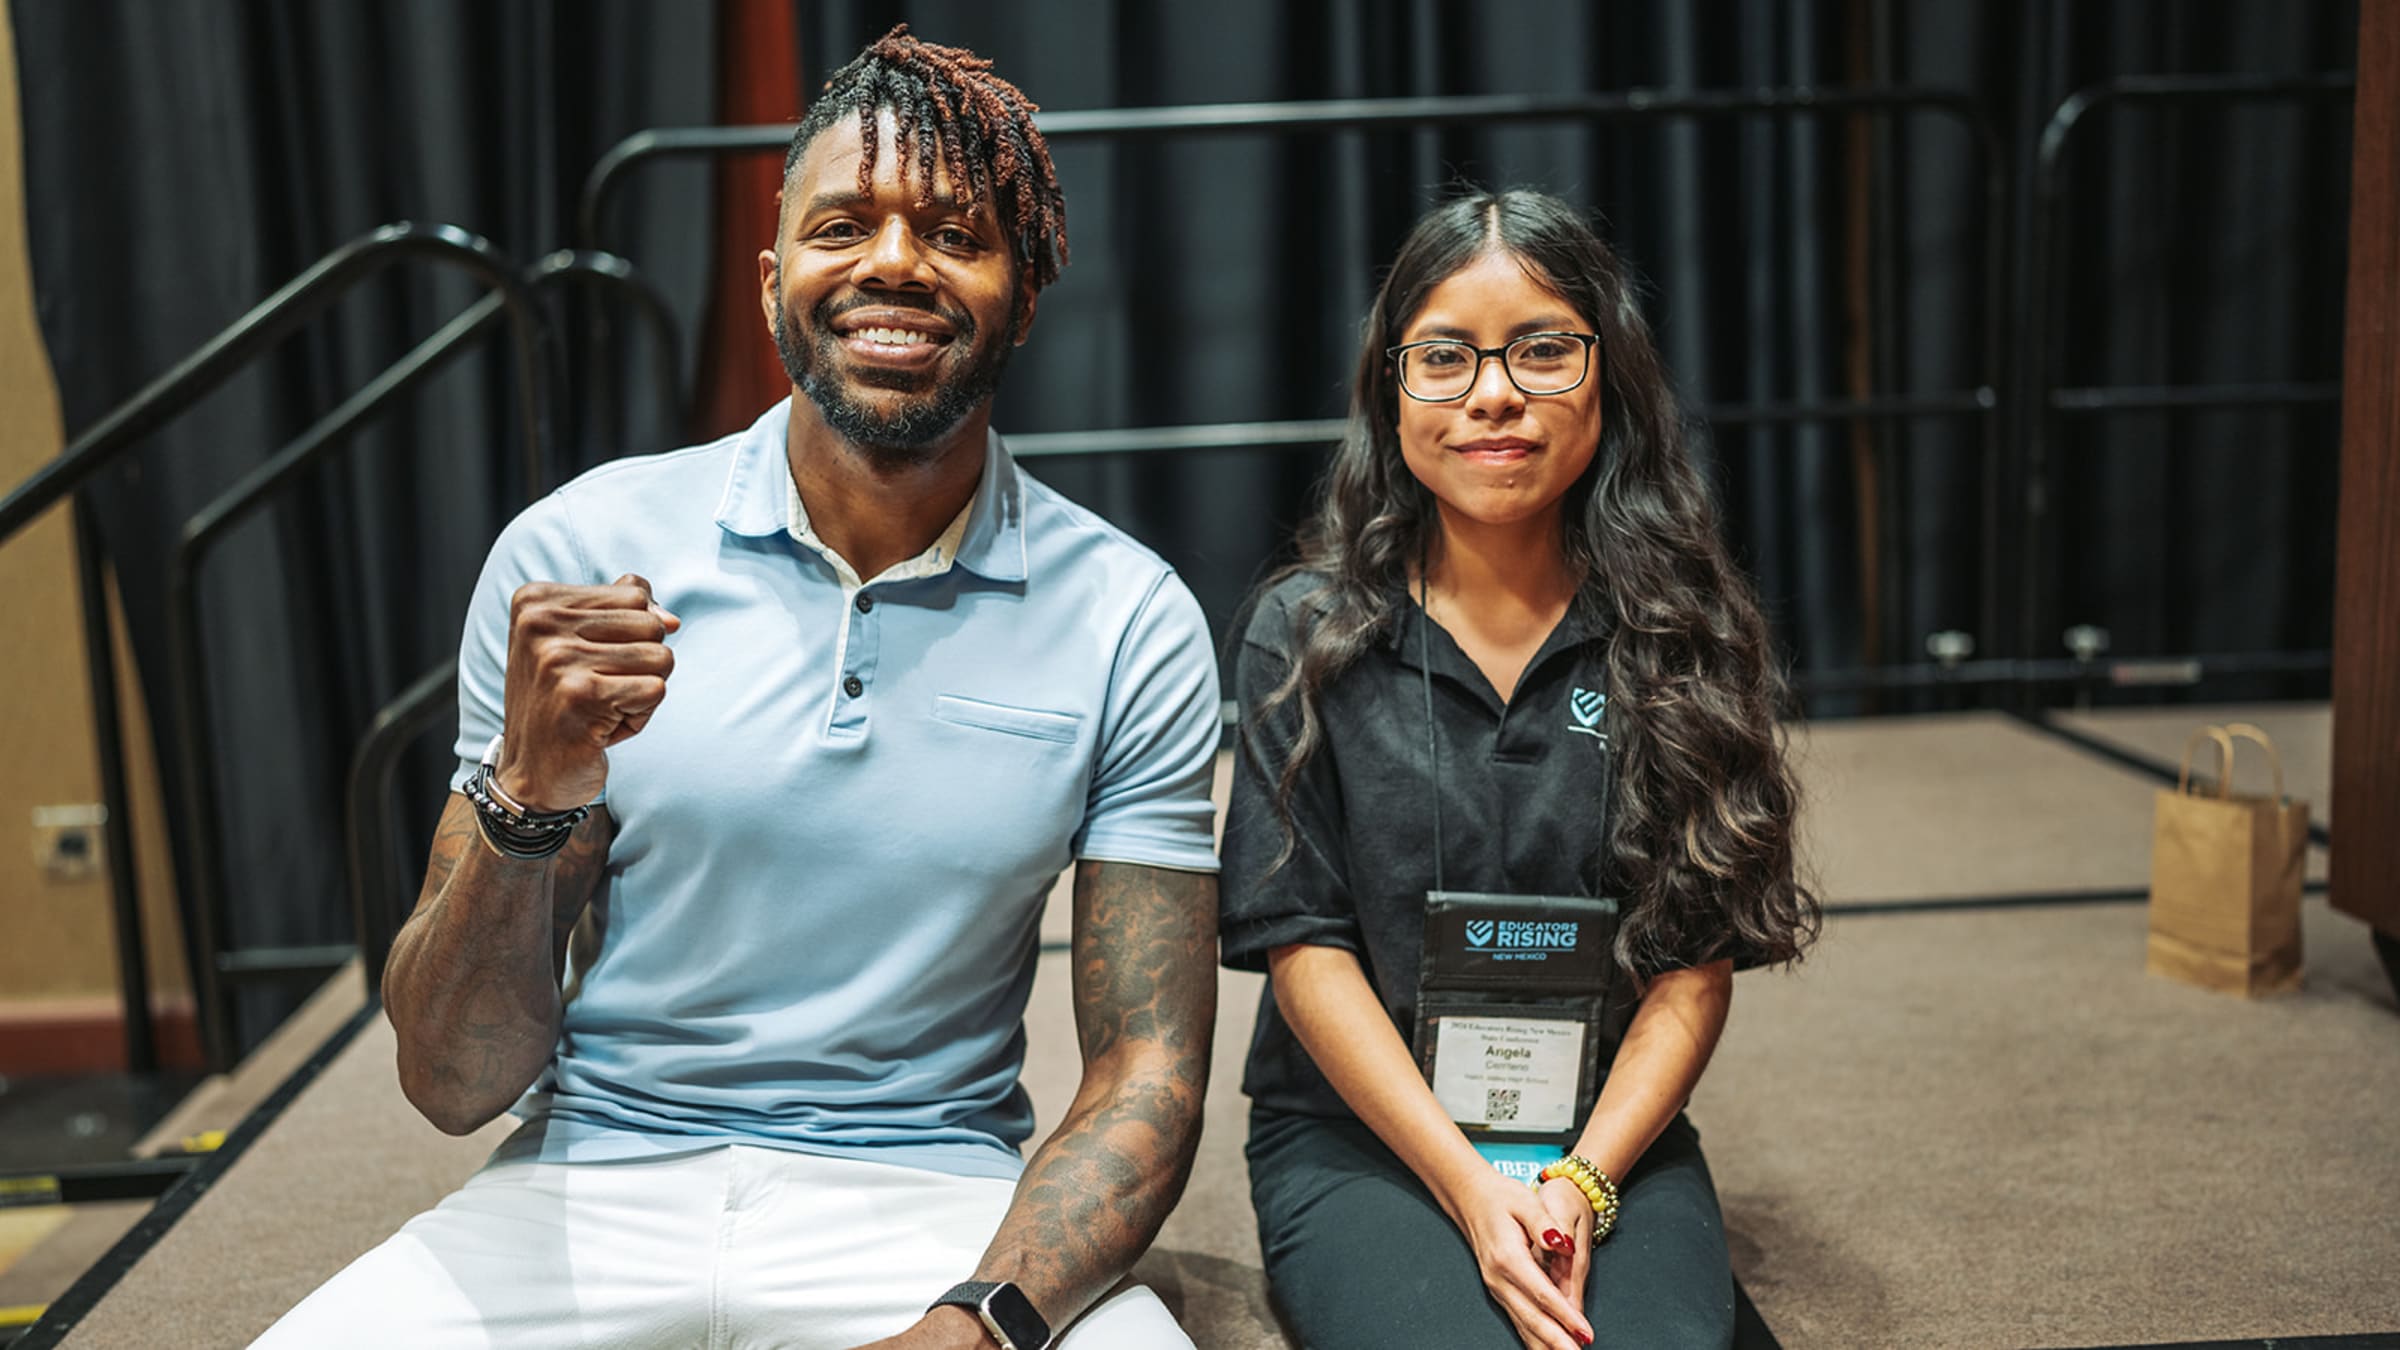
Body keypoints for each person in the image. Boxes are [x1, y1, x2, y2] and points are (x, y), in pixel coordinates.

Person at [259, 28, 1219, 1350]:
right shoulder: (582, 552)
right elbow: (451, 1080)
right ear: (773, 286)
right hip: (589, 1185)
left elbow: (1145, 1073)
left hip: (929, 1204)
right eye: (843, 226)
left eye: (955, 233)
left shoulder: (1127, 616)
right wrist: (528, 792)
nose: (895, 262)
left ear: (1025, 294)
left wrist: (978, 1323)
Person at [1219, 190, 1820, 1350]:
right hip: (1364, 1135)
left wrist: (1581, 1183)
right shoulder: (1301, 633)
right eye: (1445, 356)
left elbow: (1693, 968)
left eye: (1543, 350)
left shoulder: (1684, 632)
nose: (1493, 393)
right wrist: (1469, 1187)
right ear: (1392, 389)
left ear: (1609, 377)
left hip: (1601, 1135)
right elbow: (1305, 953)